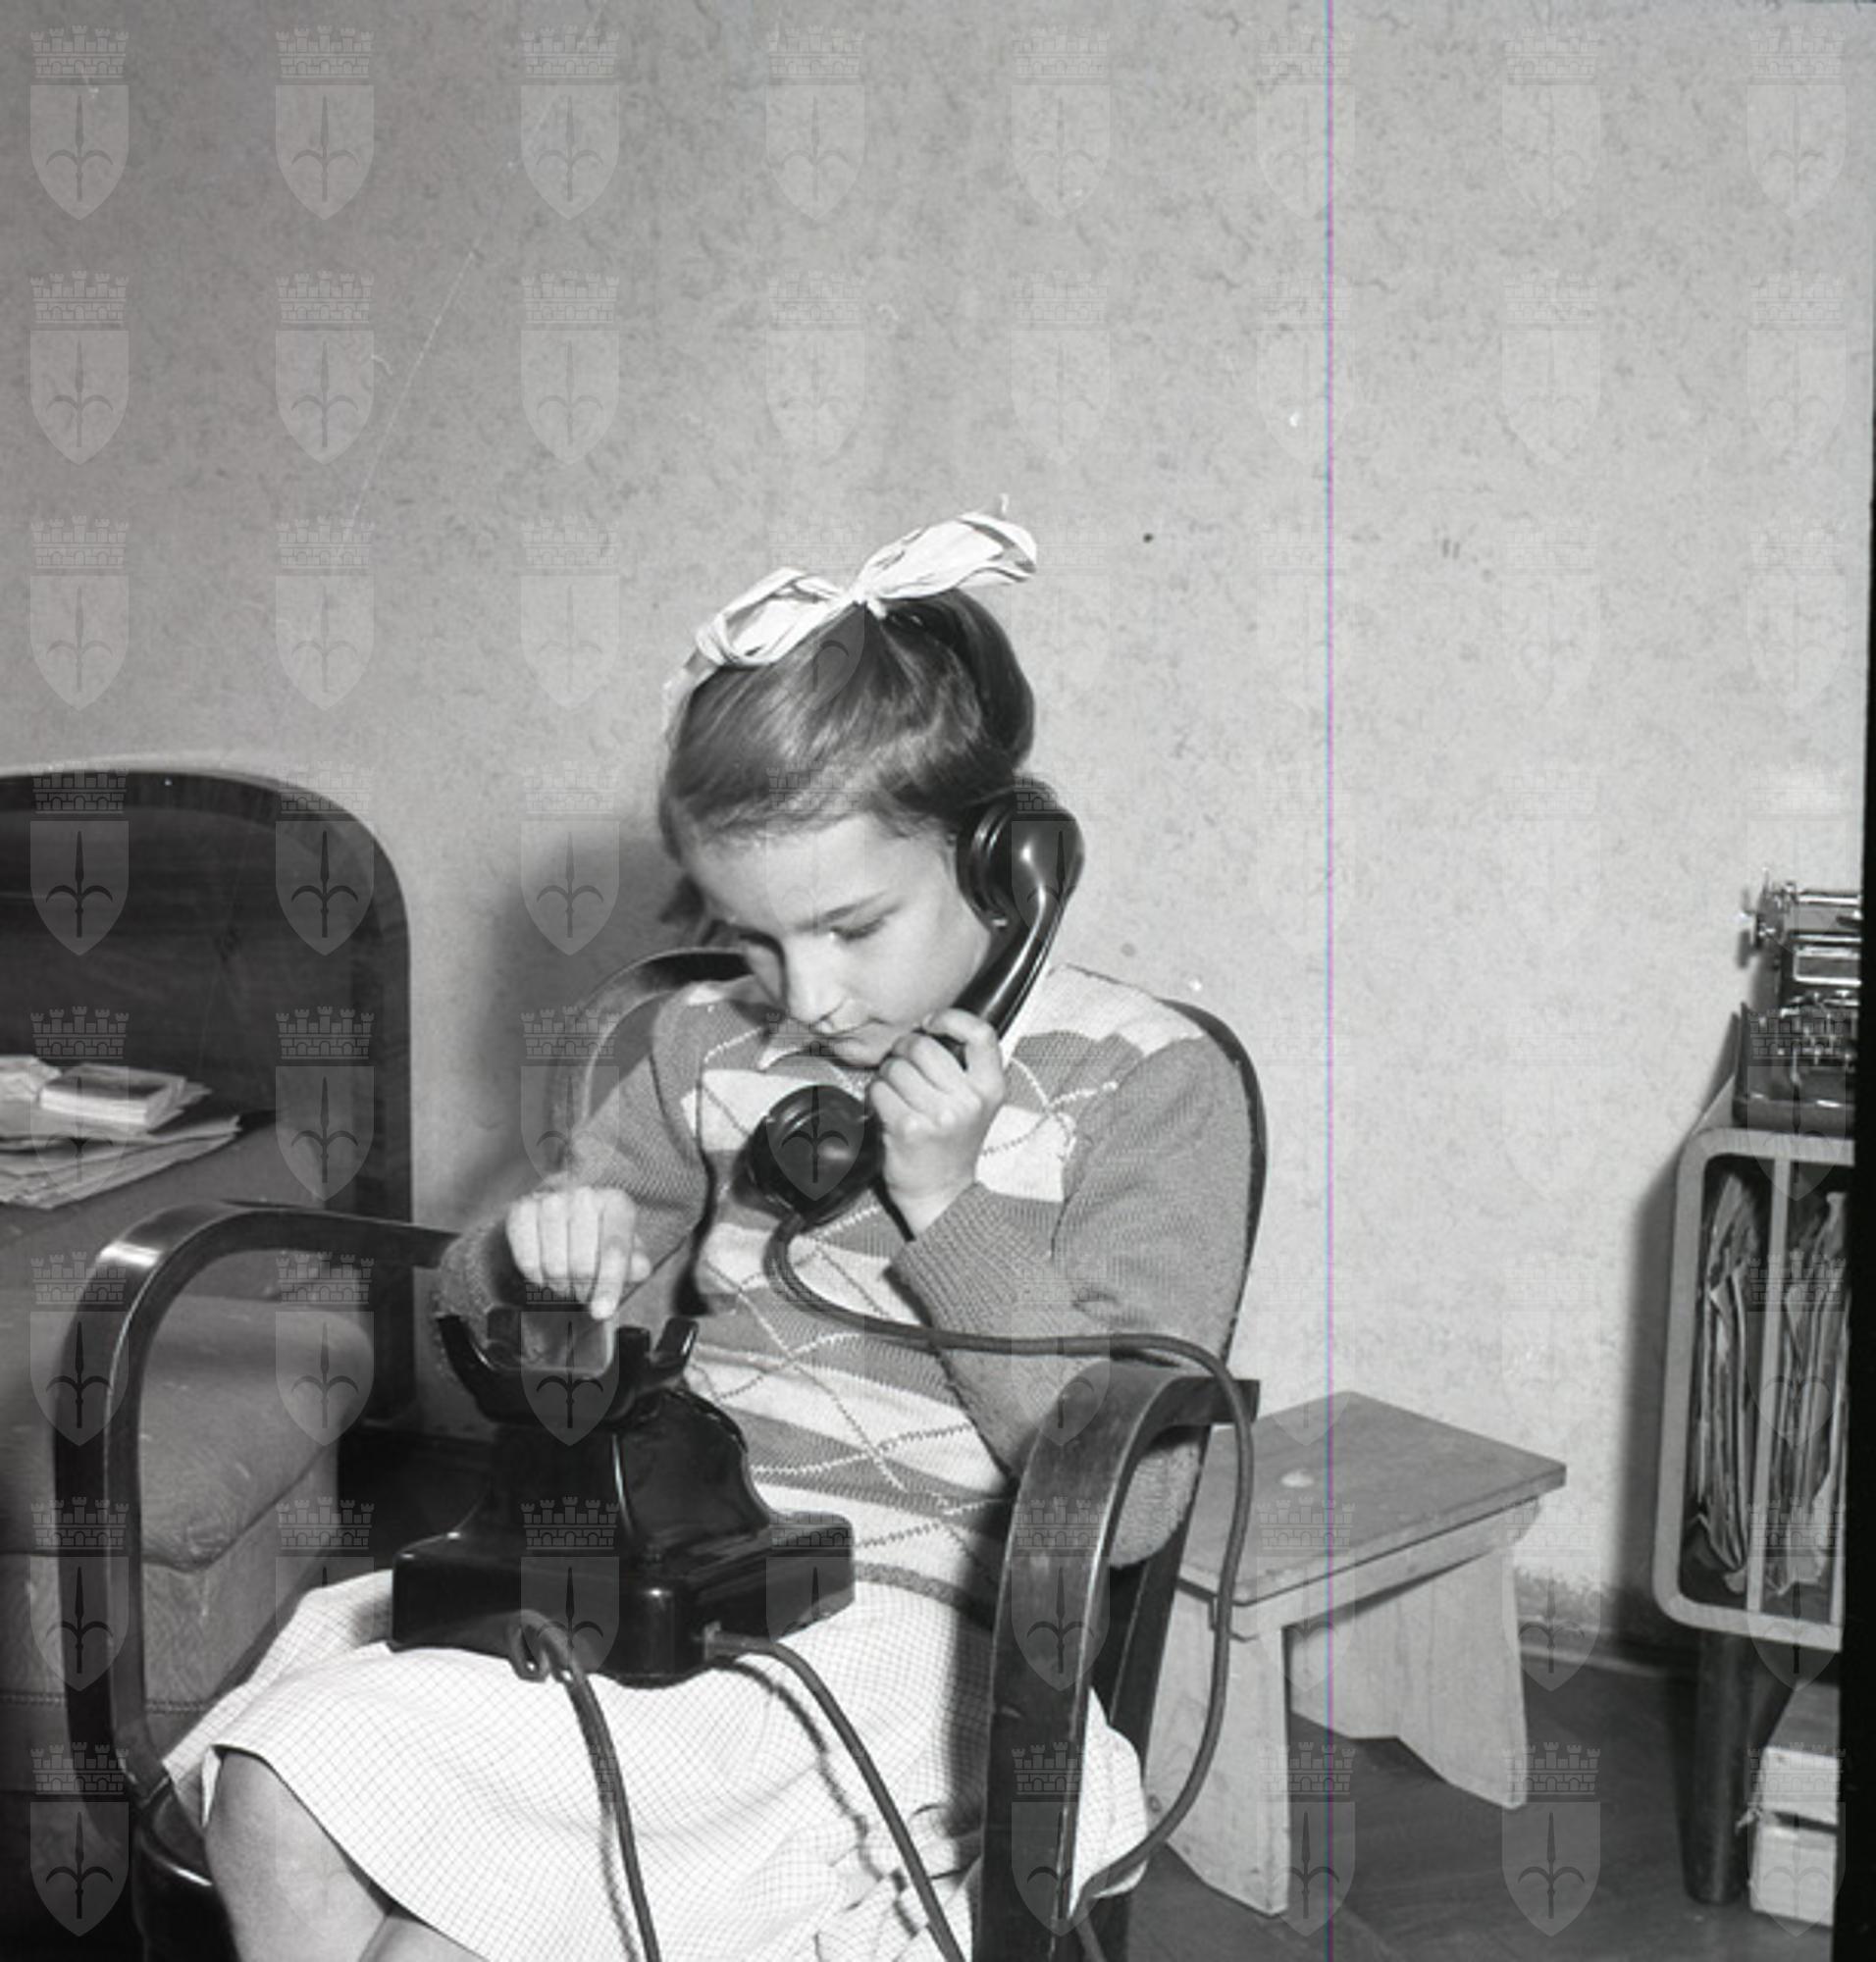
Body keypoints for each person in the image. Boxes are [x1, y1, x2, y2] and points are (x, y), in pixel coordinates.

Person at [179, 511, 1253, 1961]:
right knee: (271, 1795)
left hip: (910, 1626)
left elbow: (1138, 1495)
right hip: (661, 1567)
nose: (805, 998)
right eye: (755, 936)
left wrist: (947, 1206)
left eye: (853, 927)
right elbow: (488, 1326)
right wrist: (542, 1265)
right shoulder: (705, 1044)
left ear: (1006, 863)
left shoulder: (1148, 1085)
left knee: (455, 1935)